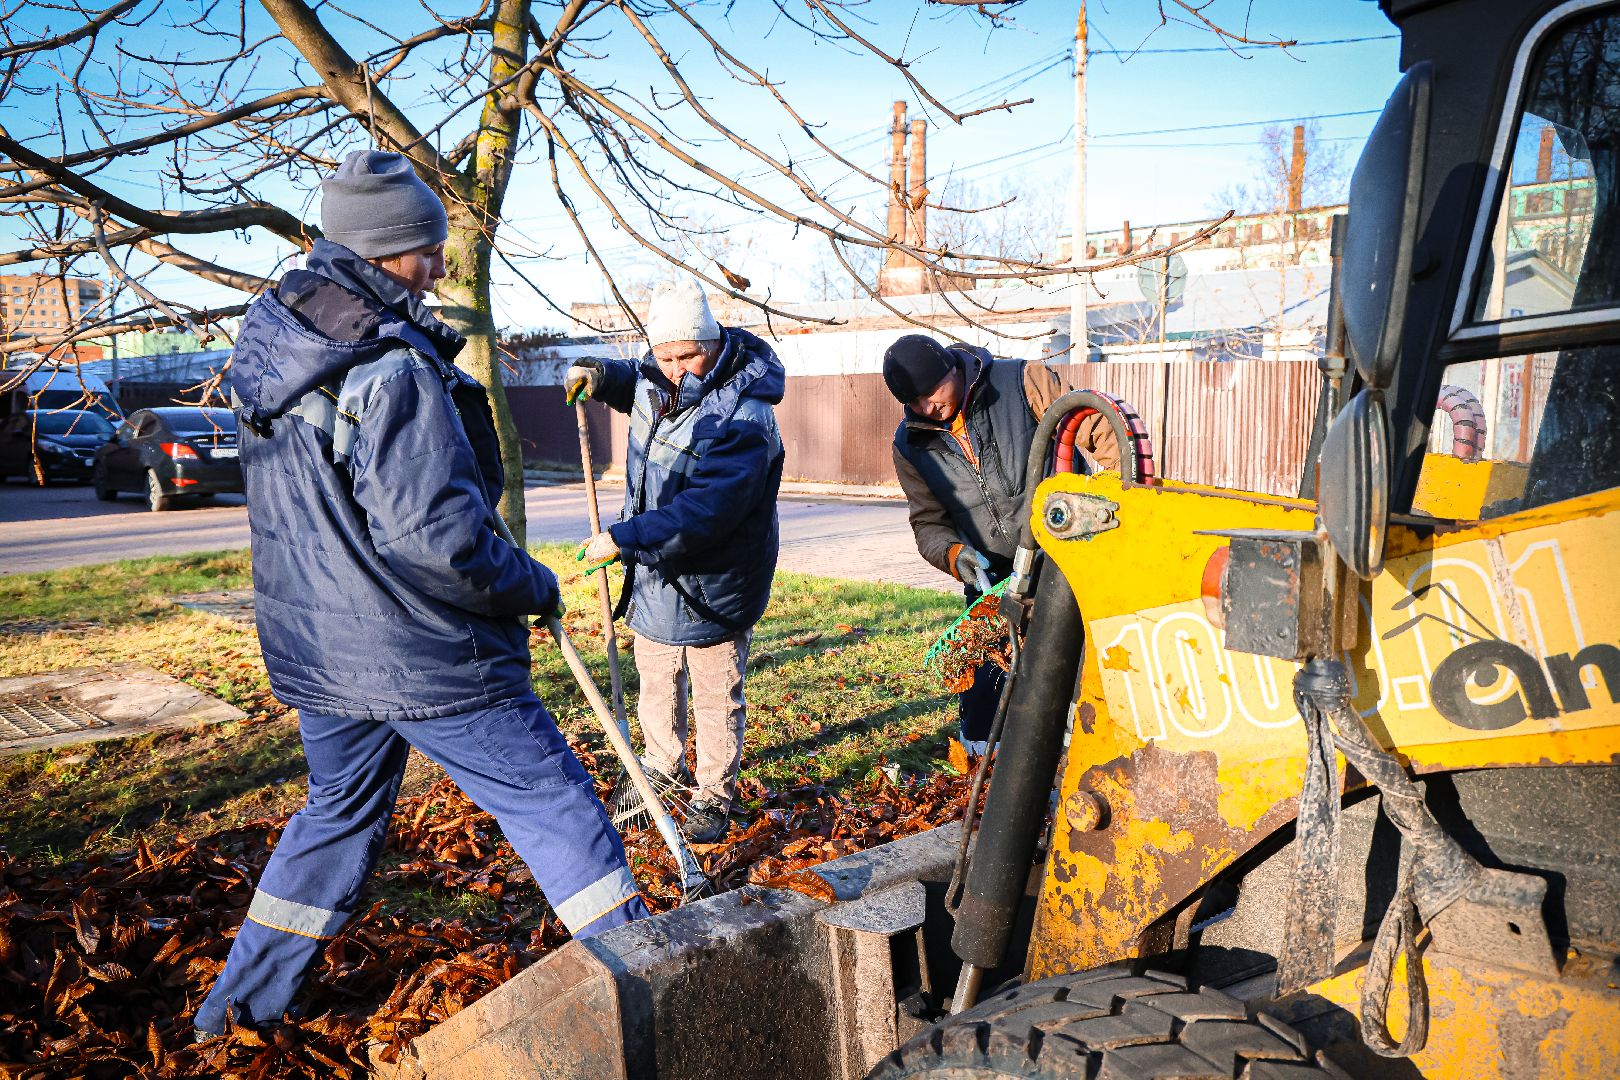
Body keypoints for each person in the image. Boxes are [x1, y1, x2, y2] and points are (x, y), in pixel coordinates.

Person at [194, 150, 647, 1038]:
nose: (440, 265)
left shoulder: (281, 344)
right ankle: (651, 980)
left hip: (320, 651)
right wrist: (531, 583)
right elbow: (436, 539)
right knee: (553, 799)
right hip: (426, 653)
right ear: (383, 251)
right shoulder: (390, 365)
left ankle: (233, 1011)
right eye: (425, 250)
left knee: (334, 820)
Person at [564, 278, 785, 844]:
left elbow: (709, 510)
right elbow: (629, 382)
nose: (677, 367)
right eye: (664, 355)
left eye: (688, 354)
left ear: (712, 343)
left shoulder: (746, 413)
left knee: (715, 693)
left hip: (716, 579)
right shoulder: (653, 378)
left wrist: (623, 538)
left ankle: (713, 794)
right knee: (656, 683)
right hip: (656, 572)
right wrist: (593, 370)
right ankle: (661, 772)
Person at [882, 334, 1067, 754]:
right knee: (985, 693)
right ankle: (982, 779)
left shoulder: (1020, 381)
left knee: (1072, 676)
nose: (927, 408)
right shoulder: (910, 443)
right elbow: (928, 522)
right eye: (914, 402)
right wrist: (954, 554)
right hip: (992, 580)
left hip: (1062, 559)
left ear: (953, 368)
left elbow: (1096, 431)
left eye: (931, 393)